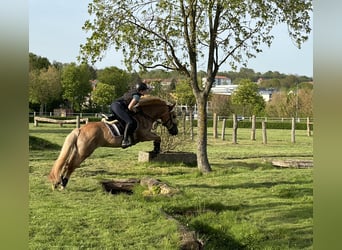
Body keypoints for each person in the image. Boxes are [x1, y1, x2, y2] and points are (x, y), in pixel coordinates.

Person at [110, 82, 149, 148]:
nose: (146, 91)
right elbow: (130, 107)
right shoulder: (136, 96)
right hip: (118, 106)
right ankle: (125, 141)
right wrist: (135, 110)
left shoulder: (132, 92)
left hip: (114, 105)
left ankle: (130, 138)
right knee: (130, 122)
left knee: (129, 120)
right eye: (145, 90)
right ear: (141, 91)